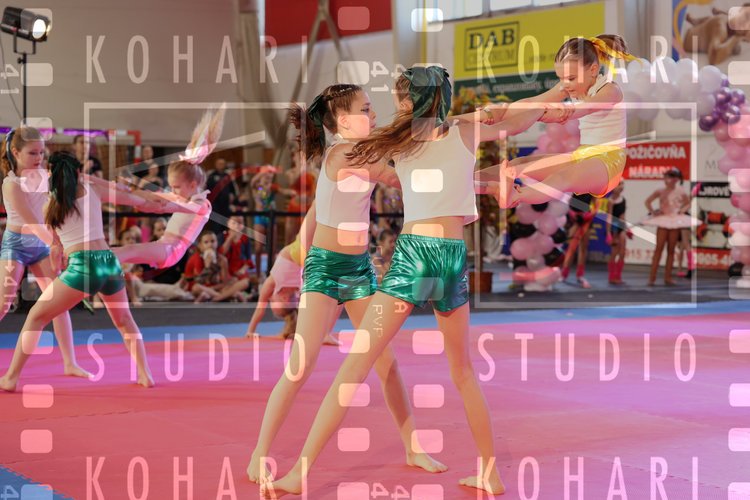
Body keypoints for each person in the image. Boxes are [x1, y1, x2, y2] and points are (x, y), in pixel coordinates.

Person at [262, 66, 547, 498]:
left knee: (353, 369)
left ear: (411, 102)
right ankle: (490, 472)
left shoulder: (397, 138)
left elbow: (381, 158)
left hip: (416, 256)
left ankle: (300, 473)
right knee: (463, 371)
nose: (387, 110)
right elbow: (519, 118)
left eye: (397, 100)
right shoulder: (465, 130)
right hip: (453, 257)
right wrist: (557, 98)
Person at [248, 82, 468, 485]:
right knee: (300, 366)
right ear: (343, 120)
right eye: (365, 109)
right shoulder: (344, 153)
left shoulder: (359, 149)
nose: (374, 114)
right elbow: (399, 177)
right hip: (325, 269)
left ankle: (412, 446)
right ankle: (258, 453)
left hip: (358, 270)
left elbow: (394, 169)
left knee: (386, 364)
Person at [0, 152, 169, 391]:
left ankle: (11, 378)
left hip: (83, 266)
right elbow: (134, 199)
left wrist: (60, 269)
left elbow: (56, 252)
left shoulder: (50, 205)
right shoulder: (92, 189)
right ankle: (145, 374)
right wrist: (158, 199)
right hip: (109, 262)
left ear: (51, 174)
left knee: (36, 317)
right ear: (78, 172)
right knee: (124, 321)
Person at [477, 35, 637, 207]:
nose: (565, 84)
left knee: (561, 178)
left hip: (609, 161)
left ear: (593, 70)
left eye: (571, 78)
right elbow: (532, 101)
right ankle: (471, 182)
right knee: (519, 163)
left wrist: (560, 112)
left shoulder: (610, 90)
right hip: (582, 155)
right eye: (561, 78)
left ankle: (516, 196)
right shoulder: (570, 87)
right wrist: (500, 113)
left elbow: (586, 108)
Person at [0, 127, 89, 382]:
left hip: (42, 246)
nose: (39, 157)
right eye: (32, 153)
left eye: (42, 152)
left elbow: (53, 212)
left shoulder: (45, 176)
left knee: (58, 304)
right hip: (16, 245)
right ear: (16, 152)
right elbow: (31, 223)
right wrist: (59, 245)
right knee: (3, 303)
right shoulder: (11, 184)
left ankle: (70, 362)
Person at [109, 106, 224, 269]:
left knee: (129, 250)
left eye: (176, 187)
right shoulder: (181, 196)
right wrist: (127, 192)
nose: (173, 191)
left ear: (192, 185)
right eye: (171, 186)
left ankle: (89, 262)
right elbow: (153, 195)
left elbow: (170, 205)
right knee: (120, 252)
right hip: (163, 244)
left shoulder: (202, 205)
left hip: (172, 250)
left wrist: (155, 204)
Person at [245, 203, 338, 345]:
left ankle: (324, 333)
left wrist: (251, 330)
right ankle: (324, 333)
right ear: (282, 298)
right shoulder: (278, 285)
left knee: (323, 215)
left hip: (308, 253)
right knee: (317, 208)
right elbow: (260, 309)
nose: (270, 299)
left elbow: (260, 310)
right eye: (272, 302)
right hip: (303, 252)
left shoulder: (285, 287)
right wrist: (250, 330)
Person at [644, 168, 693, 286]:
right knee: (659, 249)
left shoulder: (681, 191)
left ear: (676, 179)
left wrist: (682, 211)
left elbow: (688, 203)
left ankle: (668, 277)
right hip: (663, 220)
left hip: (674, 221)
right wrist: (653, 212)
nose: (669, 180)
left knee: (671, 250)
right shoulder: (661, 190)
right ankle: (652, 277)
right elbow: (647, 201)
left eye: (671, 177)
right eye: (667, 177)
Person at [182, 230, 250, 302]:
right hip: (201, 287)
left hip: (216, 288)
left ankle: (217, 297)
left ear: (217, 243)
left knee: (244, 282)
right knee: (196, 288)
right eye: (206, 242)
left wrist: (214, 288)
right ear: (200, 246)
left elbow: (225, 282)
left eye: (213, 241)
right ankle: (227, 296)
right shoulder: (196, 258)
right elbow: (199, 282)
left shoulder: (222, 259)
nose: (210, 244)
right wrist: (208, 267)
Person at [606, 180, 629, 285]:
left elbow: (623, 216)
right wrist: (608, 233)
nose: (621, 186)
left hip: (621, 227)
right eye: (619, 184)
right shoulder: (610, 201)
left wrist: (627, 228)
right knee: (614, 252)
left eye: (622, 184)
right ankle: (611, 276)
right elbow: (609, 217)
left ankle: (618, 276)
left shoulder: (623, 200)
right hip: (614, 228)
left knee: (622, 252)